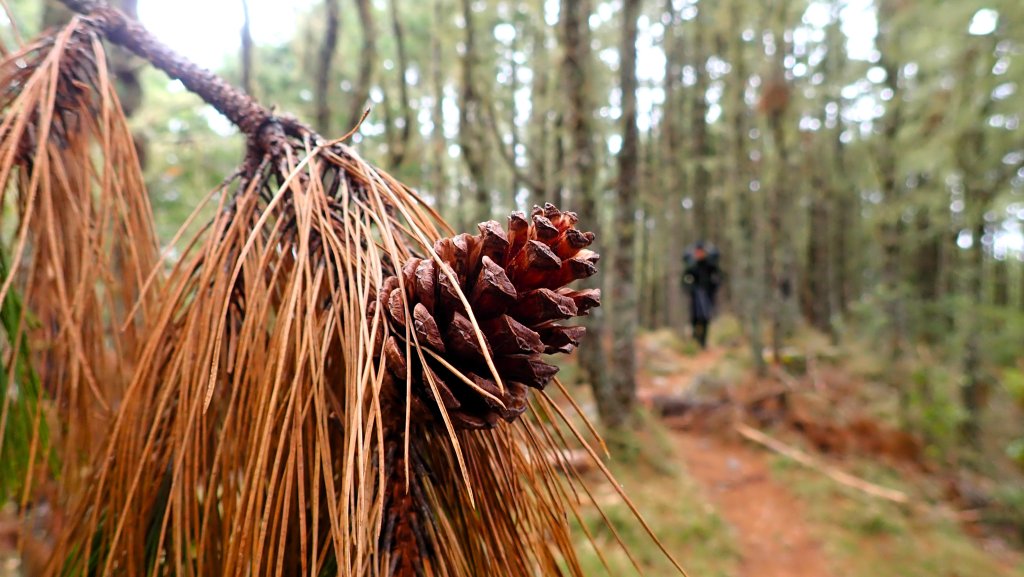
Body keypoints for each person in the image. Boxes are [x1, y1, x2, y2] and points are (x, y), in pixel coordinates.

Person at [682, 241, 721, 349]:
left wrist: (713, 288)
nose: (699, 254)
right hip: (695, 297)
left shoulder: (710, 265)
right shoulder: (692, 266)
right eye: (697, 252)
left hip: (707, 296)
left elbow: (718, 277)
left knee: (705, 318)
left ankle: (703, 342)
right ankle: (695, 341)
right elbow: (685, 279)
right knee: (694, 318)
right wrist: (690, 289)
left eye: (701, 252)